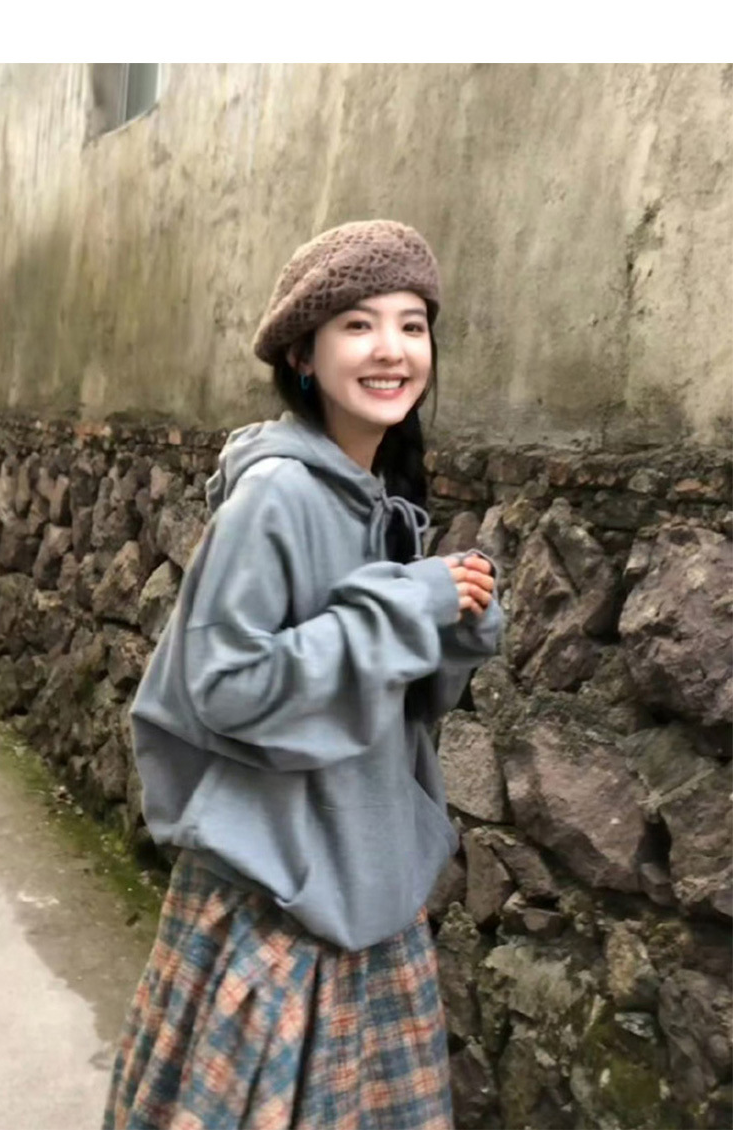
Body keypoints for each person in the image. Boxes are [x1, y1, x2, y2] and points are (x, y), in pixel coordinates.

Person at [102, 220, 502, 1130]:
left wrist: (455, 622)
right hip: (277, 905)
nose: (392, 348)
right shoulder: (275, 493)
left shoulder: (381, 501)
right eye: (359, 324)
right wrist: (408, 606)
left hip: (365, 892)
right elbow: (226, 685)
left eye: (412, 324)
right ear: (301, 354)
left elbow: (385, 706)